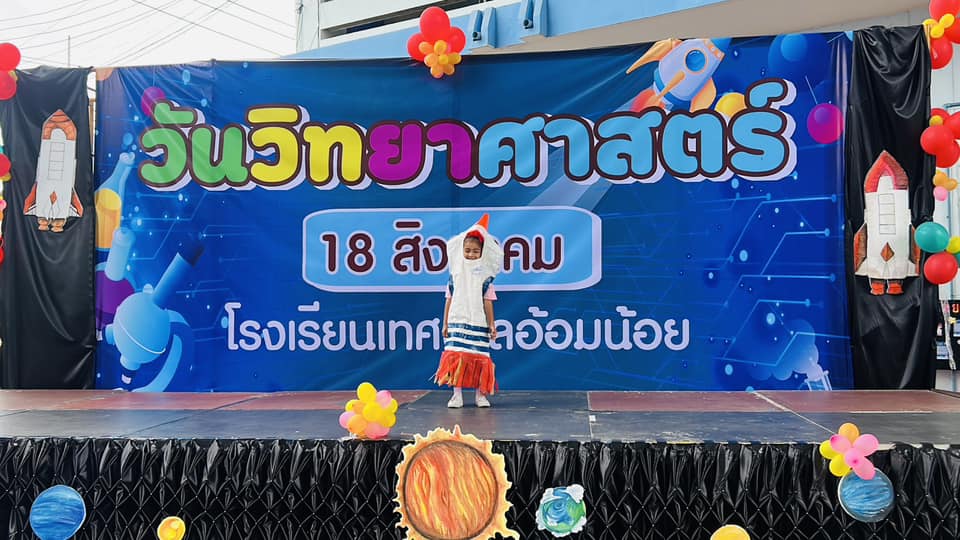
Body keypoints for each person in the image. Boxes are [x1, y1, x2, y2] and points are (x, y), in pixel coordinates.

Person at [434, 213, 503, 408]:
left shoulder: (485, 278)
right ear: (461, 250)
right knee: (457, 356)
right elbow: (449, 299)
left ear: (482, 253)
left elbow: (488, 302)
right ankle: (456, 395)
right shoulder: (455, 276)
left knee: (480, 358)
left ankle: (480, 395)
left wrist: (492, 324)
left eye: (475, 251)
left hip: (478, 322)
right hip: (457, 320)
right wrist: (445, 323)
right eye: (467, 250)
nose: (471, 254)